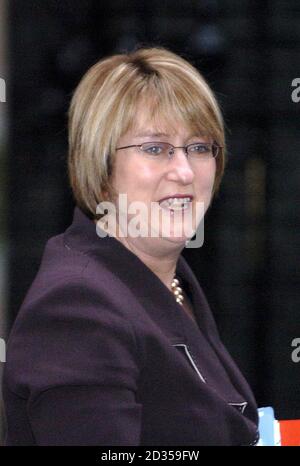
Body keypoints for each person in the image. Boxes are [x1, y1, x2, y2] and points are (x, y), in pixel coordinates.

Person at [2, 47, 259, 445]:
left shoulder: (169, 281)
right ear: (101, 165)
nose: (185, 171)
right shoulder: (76, 305)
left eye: (199, 147)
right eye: (155, 148)